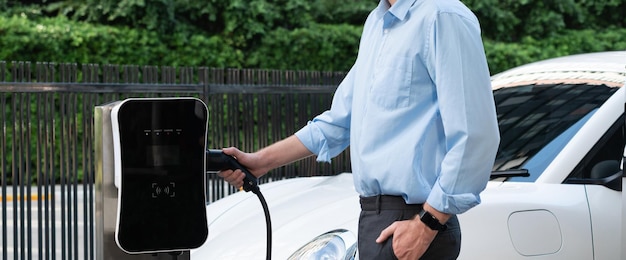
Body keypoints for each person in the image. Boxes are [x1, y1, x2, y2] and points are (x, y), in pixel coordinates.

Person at [218, 0, 500, 259]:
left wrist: (427, 224)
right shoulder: (377, 24)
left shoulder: (443, 16)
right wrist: (260, 162)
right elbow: (339, 121)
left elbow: (475, 135)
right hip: (373, 219)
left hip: (416, 220)